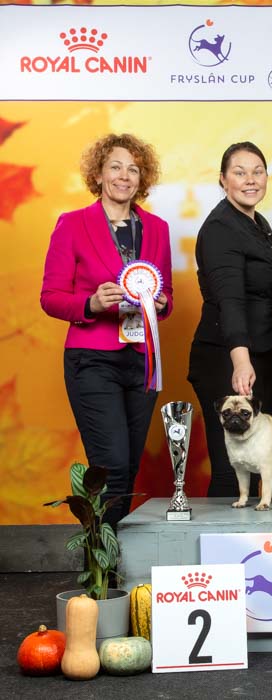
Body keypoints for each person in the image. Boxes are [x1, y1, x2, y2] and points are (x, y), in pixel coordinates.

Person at [40, 133, 173, 530]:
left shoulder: (158, 228)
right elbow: (50, 297)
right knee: (110, 463)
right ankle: (100, 556)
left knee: (128, 466)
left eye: (133, 169)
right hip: (92, 360)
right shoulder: (72, 224)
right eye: (115, 167)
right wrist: (91, 304)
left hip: (142, 361)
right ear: (98, 174)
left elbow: (167, 295)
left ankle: (112, 551)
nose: (124, 176)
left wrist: (162, 304)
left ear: (142, 179)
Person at [188, 142, 272, 498]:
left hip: (261, 353)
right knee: (233, 470)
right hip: (227, 357)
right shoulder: (221, 228)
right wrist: (241, 363)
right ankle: (222, 536)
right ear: (223, 180)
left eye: (257, 172)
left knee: (258, 466)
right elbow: (230, 300)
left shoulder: (257, 224)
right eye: (240, 173)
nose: (250, 180)